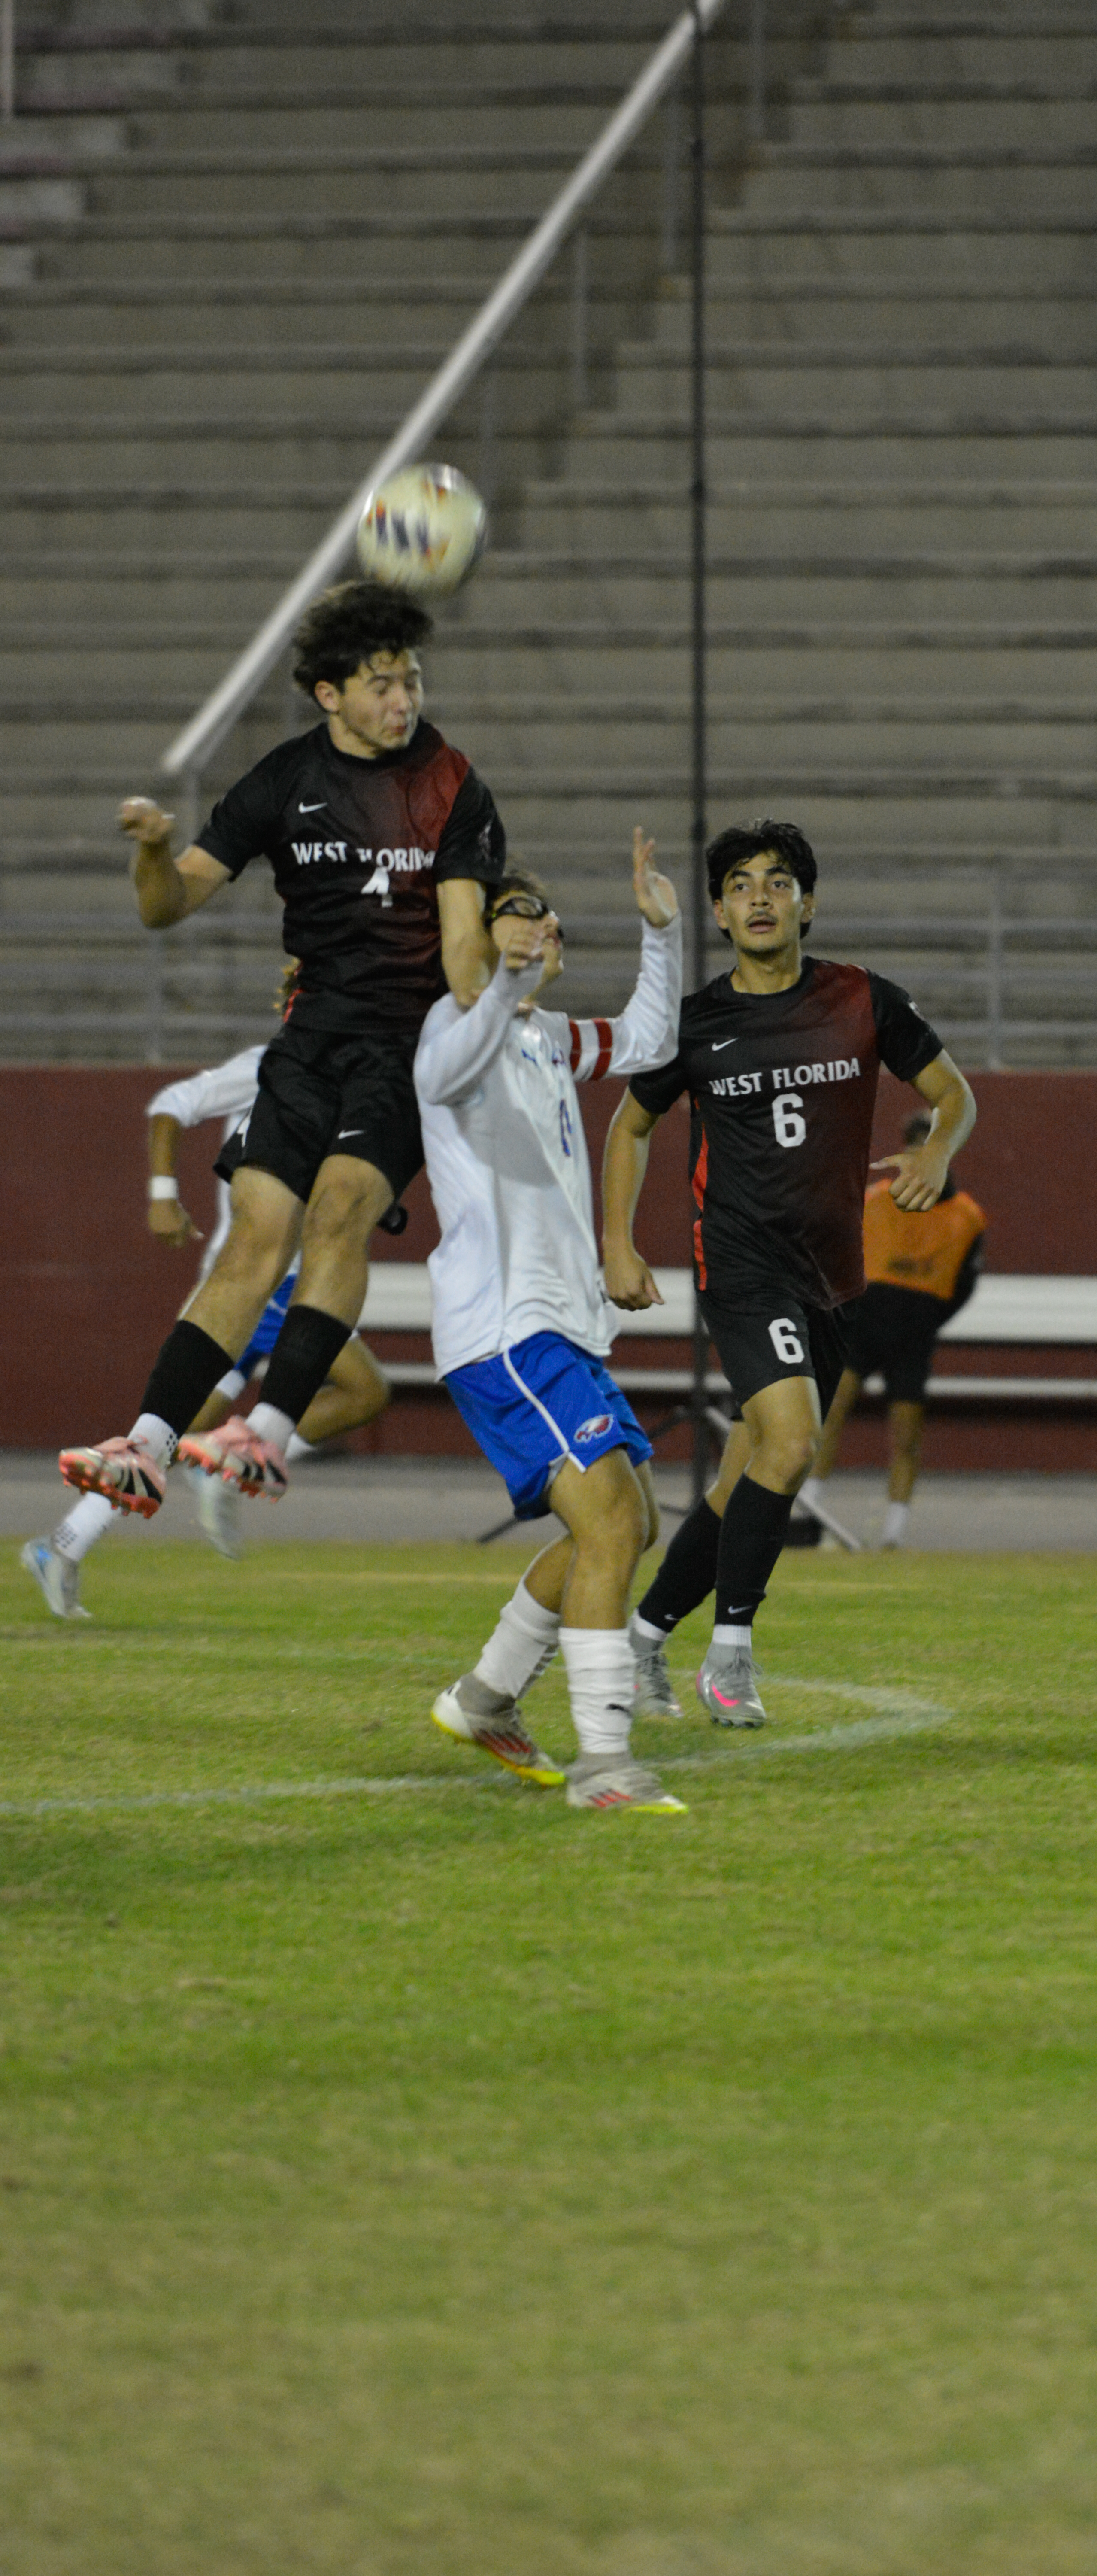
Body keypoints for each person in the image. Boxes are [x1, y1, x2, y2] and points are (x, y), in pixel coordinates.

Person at [58, 579, 503, 1523]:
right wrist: (153, 849)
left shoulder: (452, 784)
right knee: (252, 1245)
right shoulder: (280, 783)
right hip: (304, 1050)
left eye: (412, 680)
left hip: (399, 1056)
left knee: (339, 1215)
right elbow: (165, 906)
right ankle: (142, 1446)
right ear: (327, 693)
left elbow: (464, 955)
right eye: (382, 684)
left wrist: (496, 976)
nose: (404, 701)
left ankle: (266, 1428)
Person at [603, 818, 976, 1727]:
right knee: (791, 1443)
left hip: (834, 1277)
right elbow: (630, 1125)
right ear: (720, 913)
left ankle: (643, 1639)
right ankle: (730, 1655)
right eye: (739, 884)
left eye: (777, 882)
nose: (759, 896)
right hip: (740, 1264)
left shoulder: (860, 999)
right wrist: (615, 1242)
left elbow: (951, 1093)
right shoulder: (695, 1022)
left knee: (747, 1478)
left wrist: (937, 1155)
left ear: (809, 903)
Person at [417, 831, 687, 1815]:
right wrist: (495, 986)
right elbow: (445, 1079)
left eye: (547, 916)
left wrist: (662, 934)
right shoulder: (454, 1026)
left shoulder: (544, 1037)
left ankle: (486, 1697)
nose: (544, 925)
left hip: (558, 1331)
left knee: (629, 1525)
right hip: (506, 1328)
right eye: (519, 910)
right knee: (611, 1518)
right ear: (476, 941)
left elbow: (648, 1043)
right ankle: (605, 1765)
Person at [20, 1030, 391, 1619]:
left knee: (165, 1440)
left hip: (273, 1280)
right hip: (268, 1282)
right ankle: (236, 1459)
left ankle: (62, 1545)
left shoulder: (365, 1070)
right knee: (364, 1389)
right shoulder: (276, 1064)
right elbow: (172, 1104)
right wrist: (163, 1193)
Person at [798, 1108, 985, 1549]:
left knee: (906, 1435)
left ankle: (893, 1534)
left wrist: (925, 1323)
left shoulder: (967, 1218)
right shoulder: (872, 1201)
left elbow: (964, 1286)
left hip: (913, 1336)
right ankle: (807, 1510)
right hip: (862, 1327)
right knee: (831, 1412)